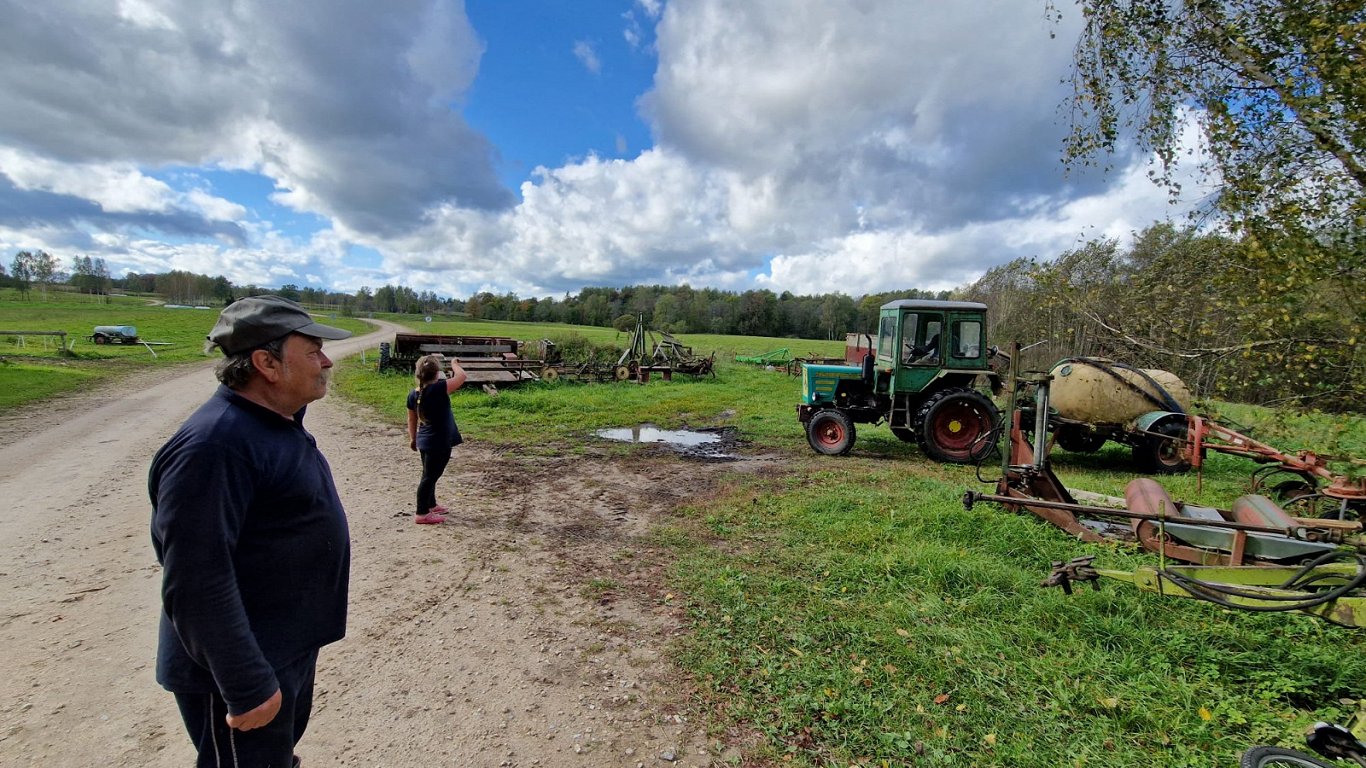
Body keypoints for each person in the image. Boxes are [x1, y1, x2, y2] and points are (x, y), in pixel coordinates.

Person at [148, 295, 353, 768]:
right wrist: (245, 684)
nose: (326, 361)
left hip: (280, 648)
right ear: (266, 363)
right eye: (314, 350)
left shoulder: (270, 423)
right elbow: (197, 577)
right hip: (240, 667)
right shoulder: (214, 445)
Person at [406, 353, 467, 524]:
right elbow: (461, 376)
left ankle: (431, 504)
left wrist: (413, 438)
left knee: (429, 474)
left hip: (425, 442)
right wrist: (454, 364)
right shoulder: (439, 388)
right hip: (439, 443)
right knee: (429, 477)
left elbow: (412, 419)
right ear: (437, 373)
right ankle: (421, 513)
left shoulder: (414, 394)